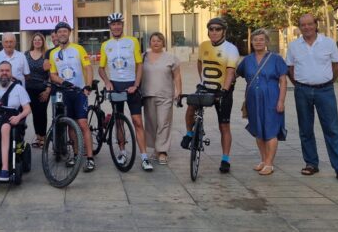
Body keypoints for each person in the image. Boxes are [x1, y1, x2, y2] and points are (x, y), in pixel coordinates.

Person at [286, 14, 338, 184]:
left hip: (325, 91)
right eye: (303, 25)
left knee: (332, 129)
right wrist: (300, 84)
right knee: (305, 129)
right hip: (302, 91)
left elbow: (337, 67)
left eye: (310, 24)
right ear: (299, 28)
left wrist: (327, 82)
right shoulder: (294, 46)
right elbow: (290, 69)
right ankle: (311, 163)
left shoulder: (328, 43)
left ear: (316, 25)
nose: (306, 27)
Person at [181, 17, 239, 174]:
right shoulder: (204, 45)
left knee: (224, 126)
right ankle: (189, 133)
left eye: (217, 29)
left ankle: (225, 159)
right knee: (190, 106)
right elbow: (200, 63)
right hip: (206, 88)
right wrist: (202, 81)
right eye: (211, 29)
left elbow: (230, 71)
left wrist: (225, 91)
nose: (214, 32)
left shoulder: (231, 49)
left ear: (224, 31)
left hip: (223, 90)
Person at [98, 13, 152, 171]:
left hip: (131, 85)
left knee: (137, 122)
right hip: (115, 85)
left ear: (122, 25)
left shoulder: (132, 41)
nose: (116, 27)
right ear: (110, 27)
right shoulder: (105, 45)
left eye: (118, 24)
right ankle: (122, 152)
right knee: (119, 121)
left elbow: (139, 64)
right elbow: (101, 69)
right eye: (113, 24)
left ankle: (144, 157)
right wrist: (107, 82)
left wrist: (136, 84)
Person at [237, 29, 288, 176]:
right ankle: (264, 160)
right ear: (251, 42)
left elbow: (283, 81)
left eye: (261, 39)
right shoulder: (247, 60)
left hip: (272, 98)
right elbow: (236, 74)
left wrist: (281, 101)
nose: (258, 42)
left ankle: (270, 164)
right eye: (255, 40)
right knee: (258, 130)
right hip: (253, 100)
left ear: (267, 42)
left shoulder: (276, 58)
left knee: (271, 130)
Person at [49, 22, 96, 172]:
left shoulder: (78, 49)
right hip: (64, 93)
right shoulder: (53, 53)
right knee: (70, 125)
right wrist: (63, 82)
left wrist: (87, 86)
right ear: (56, 35)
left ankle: (89, 158)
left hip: (79, 92)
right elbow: (52, 74)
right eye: (59, 32)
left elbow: (88, 67)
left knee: (82, 124)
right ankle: (76, 155)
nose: (62, 34)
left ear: (69, 33)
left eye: (65, 31)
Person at [141, 32, 181, 166]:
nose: (156, 43)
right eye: (153, 41)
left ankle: (162, 151)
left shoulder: (171, 58)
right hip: (148, 94)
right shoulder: (143, 57)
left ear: (163, 43)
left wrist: (178, 91)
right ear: (150, 43)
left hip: (165, 95)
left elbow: (177, 76)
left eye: (159, 41)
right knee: (151, 124)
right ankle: (155, 149)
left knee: (163, 122)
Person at [25, 32, 50, 148]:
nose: (37, 41)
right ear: (32, 42)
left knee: (42, 113)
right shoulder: (26, 54)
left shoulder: (47, 55)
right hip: (29, 89)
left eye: (39, 40)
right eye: (35, 40)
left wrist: (48, 90)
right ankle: (37, 136)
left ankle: (43, 137)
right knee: (35, 113)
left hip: (43, 89)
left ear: (43, 41)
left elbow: (51, 73)